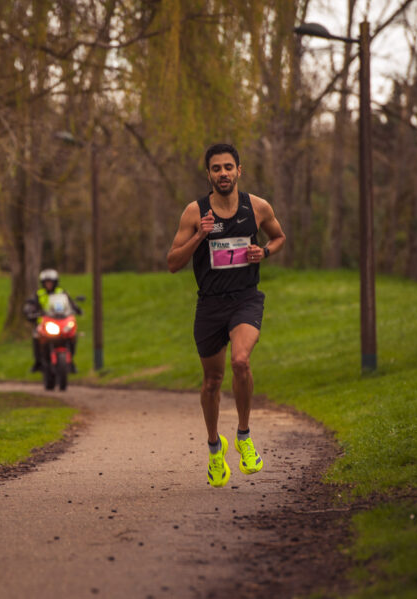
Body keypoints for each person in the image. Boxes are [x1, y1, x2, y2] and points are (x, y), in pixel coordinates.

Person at [167, 142, 286, 488]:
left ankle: (244, 436)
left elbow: (279, 238)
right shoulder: (194, 212)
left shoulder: (257, 207)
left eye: (228, 167)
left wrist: (262, 251)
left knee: (241, 362)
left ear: (239, 170)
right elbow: (173, 263)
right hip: (210, 304)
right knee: (212, 382)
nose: (223, 174)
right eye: (216, 168)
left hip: (245, 299)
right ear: (209, 175)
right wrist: (200, 236)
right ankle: (214, 448)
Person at [23, 269, 82, 373]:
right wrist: (30, 311)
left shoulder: (62, 293)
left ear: (55, 282)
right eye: (46, 282)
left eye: (51, 282)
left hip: (61, 321)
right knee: (36, 337)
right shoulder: (39, 294)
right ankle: (38, 362)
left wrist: (76, 309)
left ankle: (71, 361)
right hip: (44, 322)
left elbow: (70, 303)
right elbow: (31, 305)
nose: (49, 284)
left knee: (72, 335)